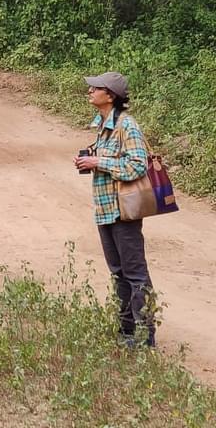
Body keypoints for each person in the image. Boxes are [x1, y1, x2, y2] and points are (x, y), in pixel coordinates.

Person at [74, 71, 156, 347]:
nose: (90, 92)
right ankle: (126, 332)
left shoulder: (127, 125)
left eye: (95, 88)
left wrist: (99, 162)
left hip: (125, 212)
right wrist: (89, 161)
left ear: (110, 95)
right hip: (106, 210)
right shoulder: (102, 125)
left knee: (135, 275)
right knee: (119, 273)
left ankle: (145, 338)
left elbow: (137, 165)